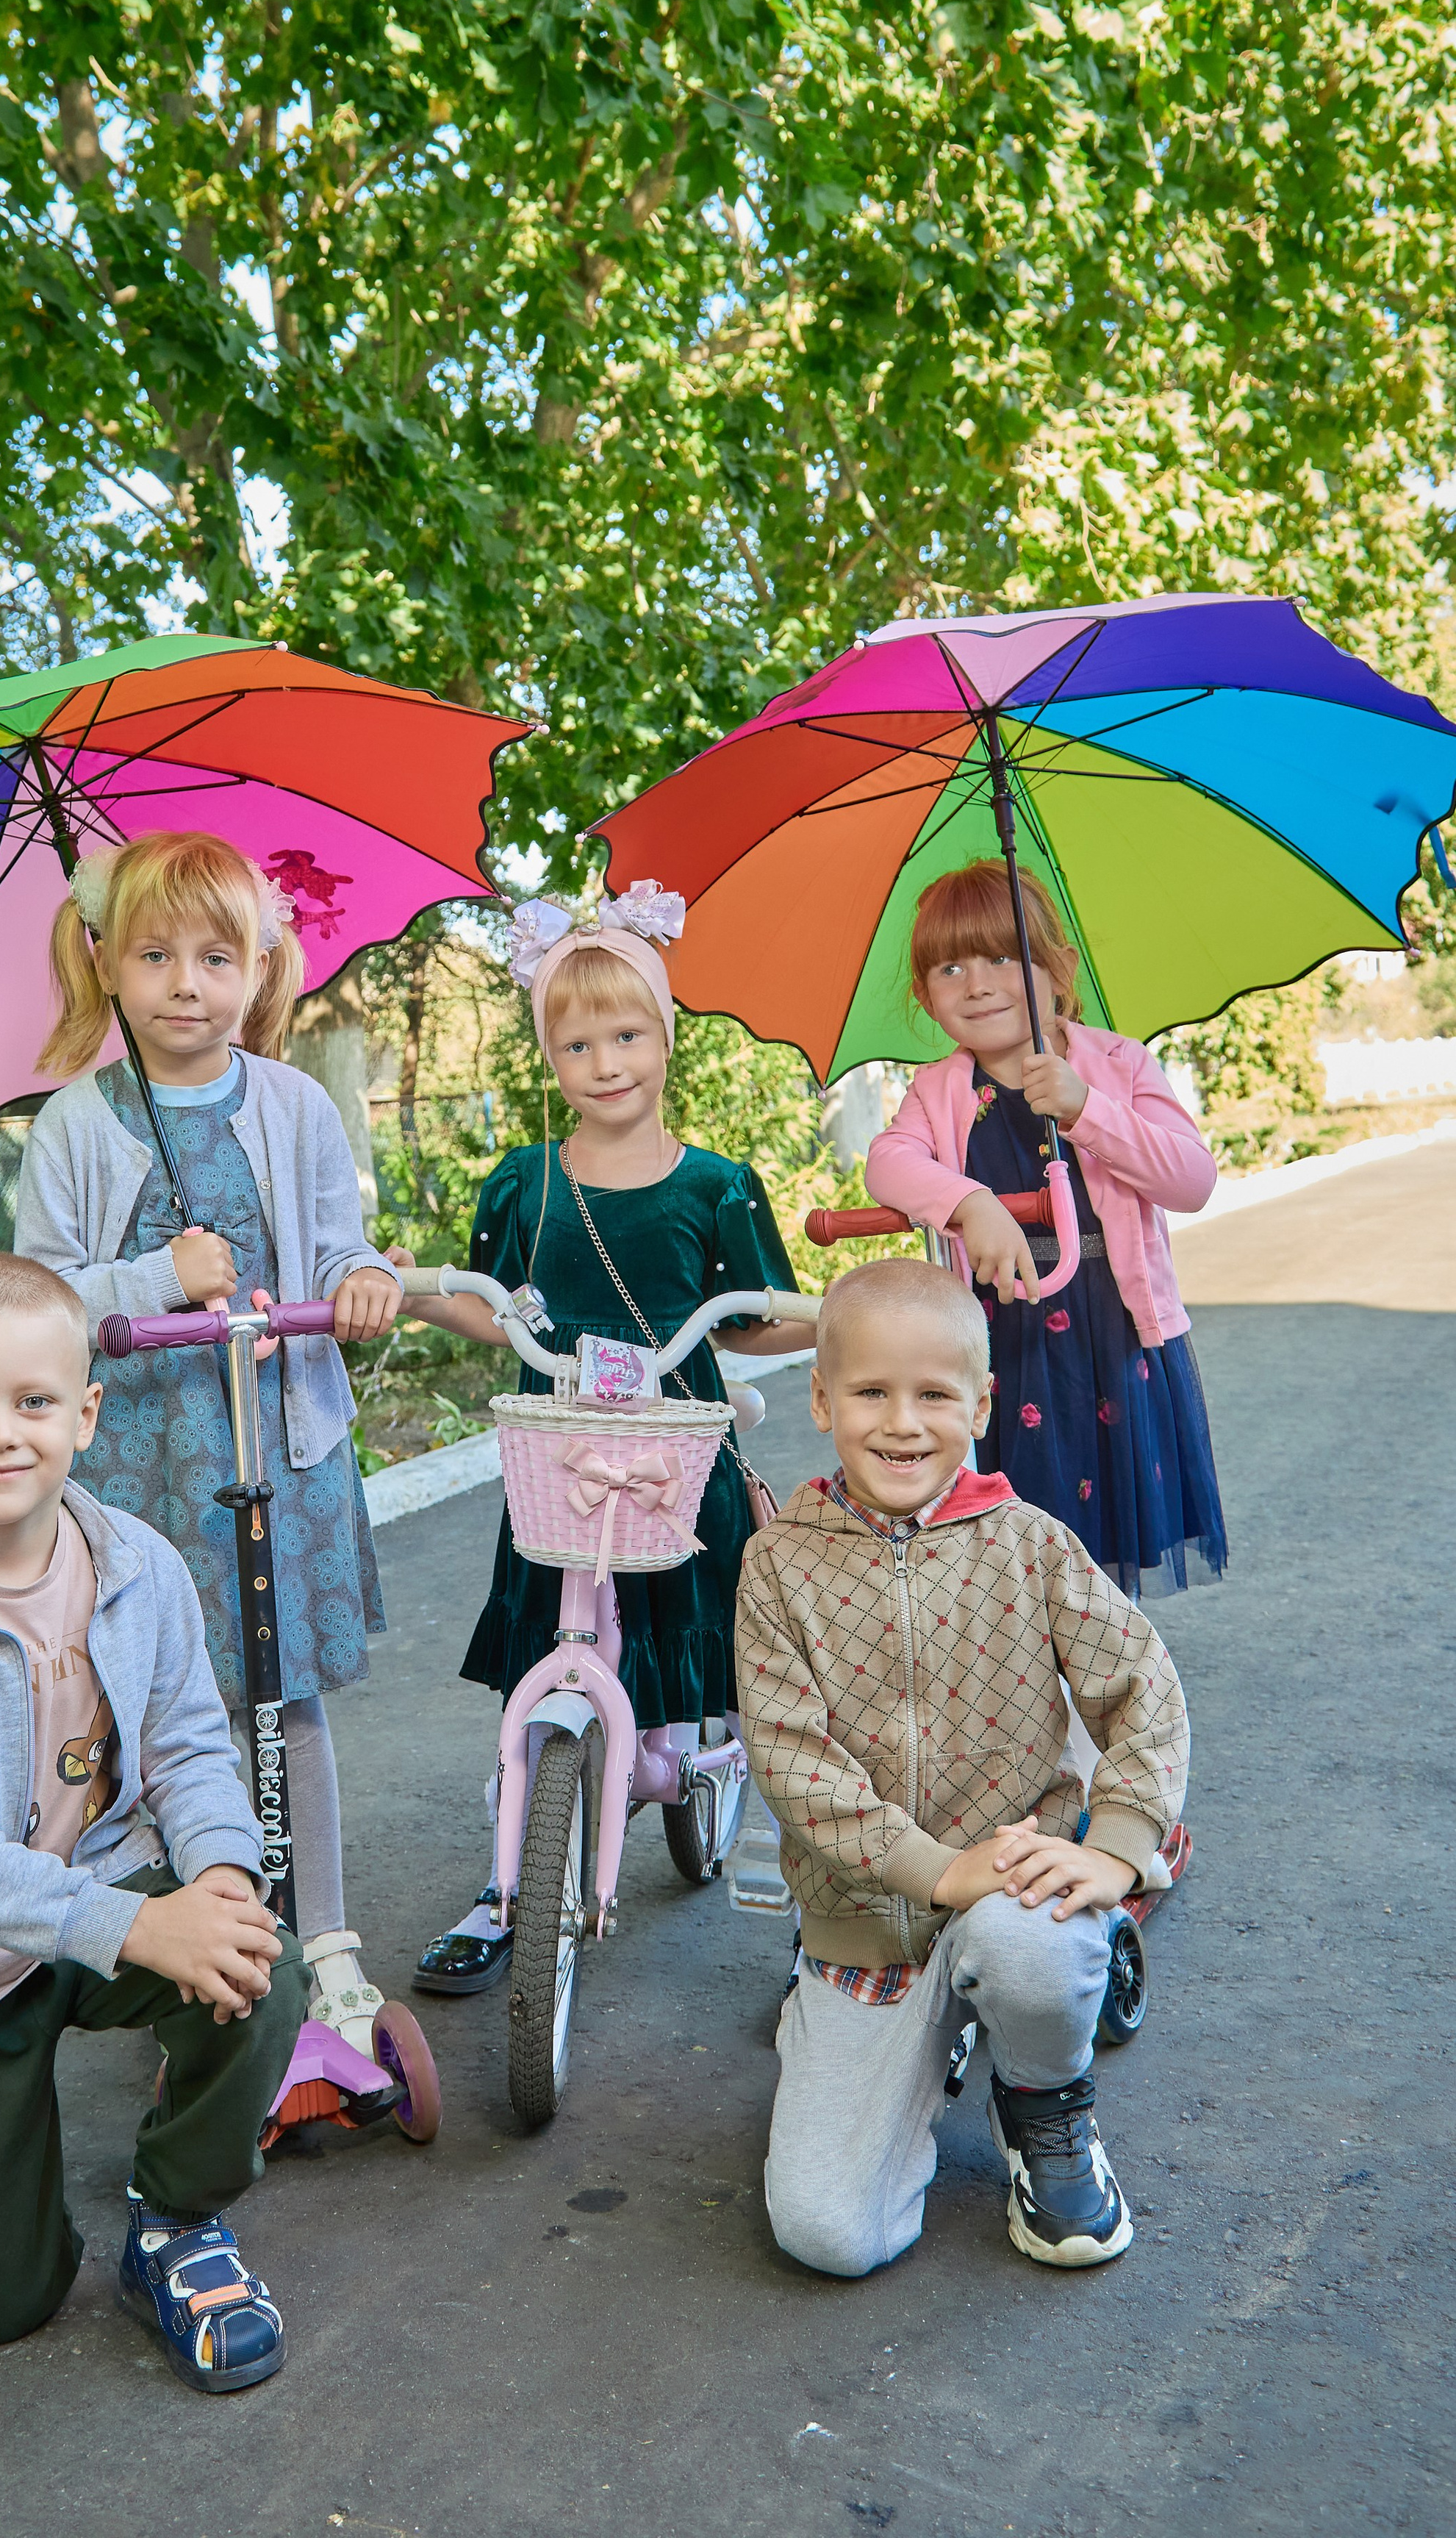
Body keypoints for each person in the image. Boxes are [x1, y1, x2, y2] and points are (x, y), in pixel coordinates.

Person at [0, 1251, 309, 2387]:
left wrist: (222, 1879)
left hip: (99, 1888)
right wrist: (141, 1930)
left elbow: (187, 1747)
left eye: (34, 1401)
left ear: (85, 1414)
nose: (0, 1434)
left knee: (258, 1967)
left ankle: (175, 2217)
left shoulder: (140, 1564)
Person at [13, 830, 403, 2056]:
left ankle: (323, 1936)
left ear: (260, 967)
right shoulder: (77, 1124)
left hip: (272, 1452)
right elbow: (38, 1305)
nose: (187, 982)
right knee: (159, 1711)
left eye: (216, 957)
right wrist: (155, 1277)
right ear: (107, 966)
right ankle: (191, 1928)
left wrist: (362, 1284)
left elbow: (344, 1244)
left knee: (280, 1704)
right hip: (139, 1465)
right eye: (156, 954)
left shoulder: (292, 1105)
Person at [390, 882, 814, 1992]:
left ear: (664, 1037)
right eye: (576, 1043)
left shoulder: (717, 1185)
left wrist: (817, 1314)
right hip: (565, 1457)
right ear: (550, 1058)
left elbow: (759, 1306)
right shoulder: (526, 1180)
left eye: (627, 1034)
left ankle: (703, 1766)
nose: (606, 1061)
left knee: (686, 1613)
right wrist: (416, 1292)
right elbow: (498, 1304)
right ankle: (507, 1880)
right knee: (553, 1626)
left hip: (677, 1444)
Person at [739, 1256, 1190, 2277]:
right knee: (830, 2236)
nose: (903, 1422)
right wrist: (934, 1871)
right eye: (870, 1392)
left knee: (1030, 1948)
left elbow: (1145, 1689)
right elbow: (789, 1755)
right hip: (868, 1927)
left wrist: (1117, 1850)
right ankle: (880, 2041)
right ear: (820, 1396)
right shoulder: (779, 1562)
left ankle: (1043, 2101)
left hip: (1013, 1889)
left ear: (981, 1404)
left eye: (935, 1394)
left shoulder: (1030, 1546)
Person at [864, 860, 1226, 1595]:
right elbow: (889, 1165)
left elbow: (1190, 1178)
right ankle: (1035, 1683)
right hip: (1004, 1337)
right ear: (924, 994)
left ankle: (1103, 1672)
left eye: (1004, 957)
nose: (978, 983)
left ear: (1056, 968)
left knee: (1103, 1534)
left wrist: (1087, 1108)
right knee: (1019, 1528)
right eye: (951, 967)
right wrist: (972, 1204)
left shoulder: (1117, 1065)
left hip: (1110, 1331)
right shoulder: (938, 1089)